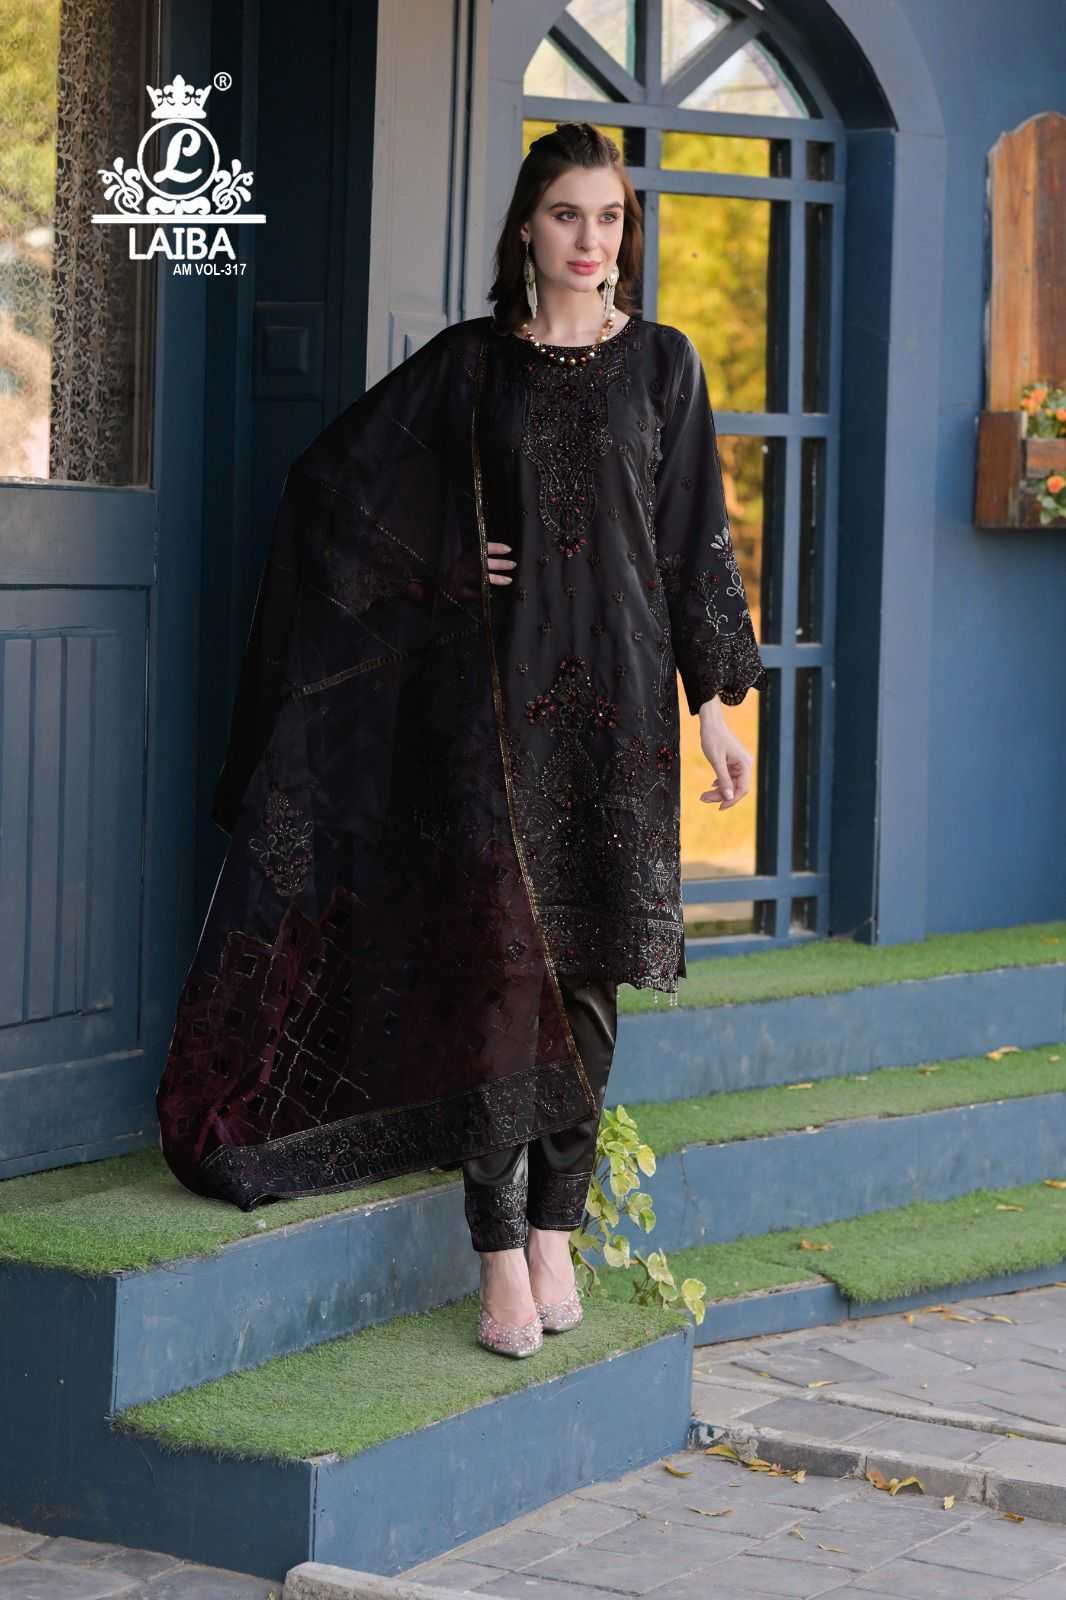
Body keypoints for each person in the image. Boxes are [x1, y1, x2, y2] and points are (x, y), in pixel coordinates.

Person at [155, 122, 767, 1360]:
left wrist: (713, 707)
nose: (590, 240)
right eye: (566, 214)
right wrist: (446, 558)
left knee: (586, 981)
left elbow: (689, 538)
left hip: (622, 716)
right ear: (525, 227)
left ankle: (556, 1227)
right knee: (498, 974)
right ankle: (495, 1248)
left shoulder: (664, 363)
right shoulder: (471, 368)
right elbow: (330, 493)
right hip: (490, 716)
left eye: (609, 216)